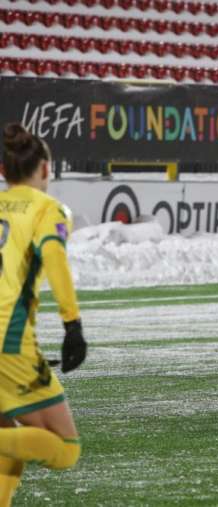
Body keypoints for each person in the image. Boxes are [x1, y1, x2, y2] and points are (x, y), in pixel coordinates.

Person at [0, 123, 87, 505]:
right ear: (46, 169)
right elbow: (53, 257)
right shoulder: (47, 208)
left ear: (3, 172)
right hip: (9, 341)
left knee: (9, 448)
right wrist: (72, 325)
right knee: (65, 447)